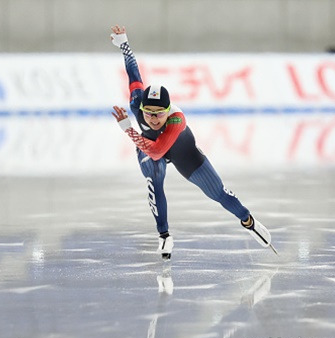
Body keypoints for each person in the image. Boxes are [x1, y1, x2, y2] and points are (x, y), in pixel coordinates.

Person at [109, 25, 276, 259]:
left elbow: (158, 152)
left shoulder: (176, 120)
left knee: (218, 193)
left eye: (159, 114)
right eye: (149, 113)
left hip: (181, 151)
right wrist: (124, 43)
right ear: (141, 108)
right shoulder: (137, 102)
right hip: (149, 146)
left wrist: (128, 130)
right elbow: (133, 73)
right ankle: (164, 235)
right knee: (154, 184)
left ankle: (248, 221)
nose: (154, 119)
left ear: (169, 110)